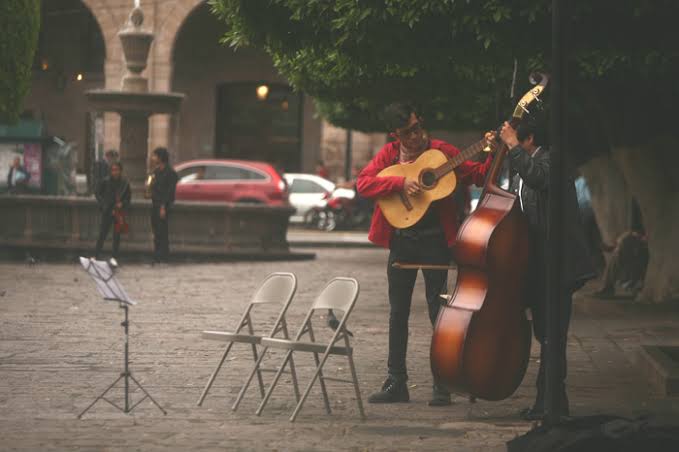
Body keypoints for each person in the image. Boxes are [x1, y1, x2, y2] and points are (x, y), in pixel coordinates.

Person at [357, 103, 493, 406]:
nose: (416, 135)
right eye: (408, 132)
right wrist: (401, 182)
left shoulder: (442, 152)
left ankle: (442, 384)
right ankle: (396, 383)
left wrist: (493, 152)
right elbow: (364, 183)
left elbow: (479, 175)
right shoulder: (390, 155)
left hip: (435, 242)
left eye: (418, 127)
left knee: (438, 313)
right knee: (398, 313)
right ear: (396, 135)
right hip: (402, 240)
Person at [498, 119, 595, 420]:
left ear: (528, 139)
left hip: (557, 265)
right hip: (538, 265)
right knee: (546, 333)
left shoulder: (550, 161)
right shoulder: (526, 165)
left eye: (517, 140)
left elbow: (537, 177)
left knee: (554, 334)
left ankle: (554, 402)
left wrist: (512, 145)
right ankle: (547, 401)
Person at [94, 161, 131, 267]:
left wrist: (122, 204)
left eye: (117, 170)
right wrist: (103, 205)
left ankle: (114, 258)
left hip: (118, 213)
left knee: (117, 236)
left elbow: (128, 199)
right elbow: (97, 193)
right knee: (102, 234)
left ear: (120, 171)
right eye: (113, 170)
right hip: (107, 211)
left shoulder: (125, 184)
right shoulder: (105, 181)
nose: (115, 172)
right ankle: (96, 255)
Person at [593, 230, 648, 298]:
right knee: (617, 253)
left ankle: (609, 287)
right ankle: (609, 287)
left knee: (621, 248)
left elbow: (643, 238)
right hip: (633, 243)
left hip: (638, 246)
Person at [149, 147, 178, 263]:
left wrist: (163, 207)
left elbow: (169, 192)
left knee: (163, 232)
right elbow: (153, 188)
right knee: (156, 232)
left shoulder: (170, 173)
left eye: (155, 156)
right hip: (154, 204)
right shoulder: (156, 172)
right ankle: (157, 256)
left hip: (163, 206)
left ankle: (164, 256)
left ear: (160, 157)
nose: (153, 158)